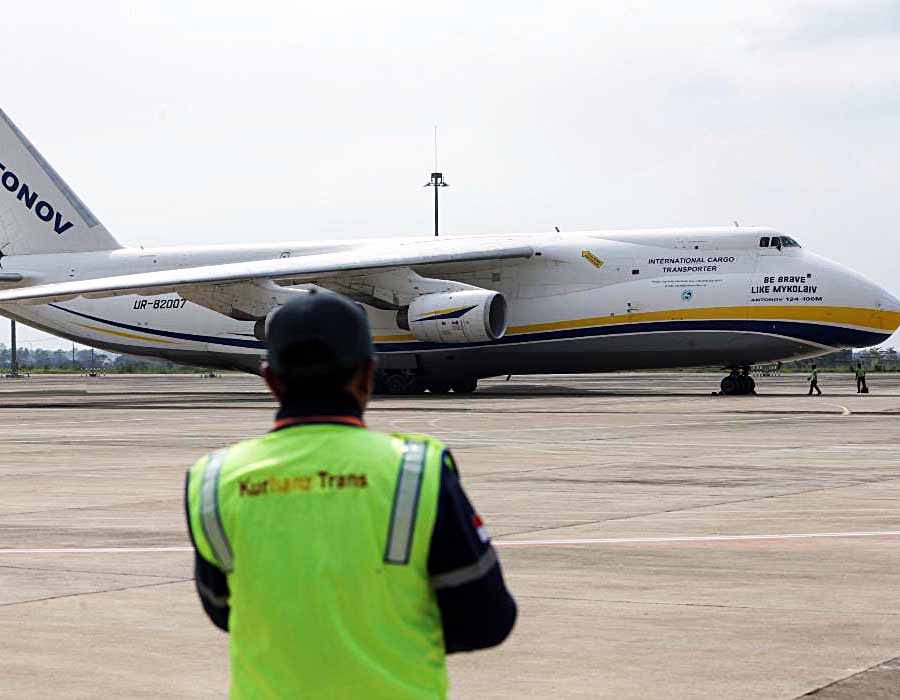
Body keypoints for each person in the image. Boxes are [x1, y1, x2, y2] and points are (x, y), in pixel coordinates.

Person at [184, 290, 516, 699]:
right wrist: (388, 635)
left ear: (270, 379)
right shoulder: (416, 470)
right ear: (368, 374)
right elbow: (487, 619)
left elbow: (222, 609)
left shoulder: (215, 479)